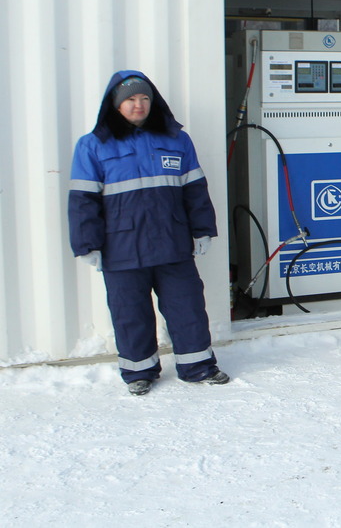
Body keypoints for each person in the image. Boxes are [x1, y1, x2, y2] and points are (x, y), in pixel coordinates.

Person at [68, 71, 229, 396]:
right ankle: (138, 371)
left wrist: (202, 230)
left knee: (187, 307)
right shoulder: (92, 146)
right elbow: (82, 201)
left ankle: (198, 366)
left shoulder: (176, 139)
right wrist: (87, 244)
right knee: (130, 313)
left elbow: (195, 190)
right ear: (115, 105)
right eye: (130, 99)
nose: (138, 105)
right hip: (121, 248)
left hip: (172, 243)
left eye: (144, 98)